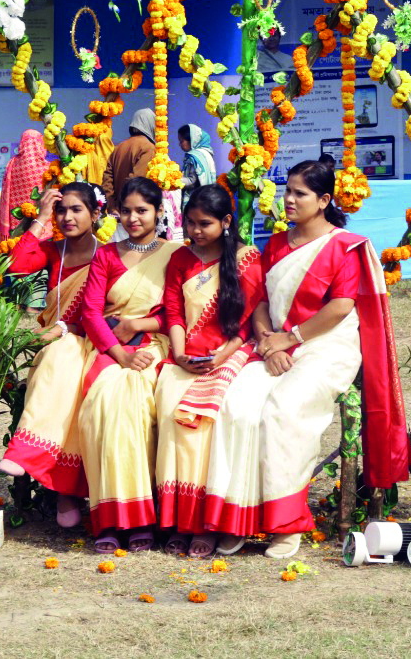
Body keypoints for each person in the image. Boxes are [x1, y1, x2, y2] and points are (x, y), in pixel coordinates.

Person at [199, 161, 409, 558]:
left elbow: (341, 306)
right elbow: (259, 299)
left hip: (325, 347)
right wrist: (267, 339)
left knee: (284, 409)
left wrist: (289, 339)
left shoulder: (345, 246)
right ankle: (237, 518)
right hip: (275, 342)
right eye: (288, 191)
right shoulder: (277, 243)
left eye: (300, 193)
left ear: (324, 200)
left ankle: (285, 524)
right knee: (235, 405)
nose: (289, 199)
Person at [154, 185, 263, 557]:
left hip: (229, 355)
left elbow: (248, 323)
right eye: (190, 222)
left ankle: (206, 523)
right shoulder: (181, 259)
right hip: (184, 356)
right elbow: (173, 311)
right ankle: (178, 523)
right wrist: (181, 354)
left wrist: (221, 356)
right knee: (170, 409)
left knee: (206, 422)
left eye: (205, 224)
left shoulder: (246, 259)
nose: (195, 231)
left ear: (226, 222)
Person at [75, 176, 182, 552]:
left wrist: (138, 325)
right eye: (127, 211)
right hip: (108, 344)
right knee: (102, 402)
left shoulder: (175, 253)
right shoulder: (106, 253)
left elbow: (177, 311)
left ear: (158, 211)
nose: (134, 218)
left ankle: (139, 518)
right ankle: (107, 517)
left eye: (143, 210)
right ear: (117, 212)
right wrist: (118, 353)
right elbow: (90, 312)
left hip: (155, 343)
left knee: (136, 402)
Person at [0, 182, 106, 527]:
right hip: (56, 342)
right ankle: (64, 492)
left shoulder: (109, 254)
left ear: (96, 213)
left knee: (69, 365)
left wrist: (66, 330)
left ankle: (64, 488)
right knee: (62, 360)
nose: (67, 217)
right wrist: (41, 218)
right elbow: (15, 266)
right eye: (61, 210)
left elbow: (115, 310)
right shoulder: (53, 251)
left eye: (76, 210)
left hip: (98, 340)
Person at [0, 129, 50, 241]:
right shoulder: (47, 167)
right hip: (40, 218)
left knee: (17, 245)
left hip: (16, 217)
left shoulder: (12, 163)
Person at [102, 108, 157, 211]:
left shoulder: (118, 147)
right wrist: (125, 207)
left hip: (118, 211)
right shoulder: (148, 147)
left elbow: (107, 182)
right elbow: (136, 181)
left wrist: (113, 207)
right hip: (135, 210)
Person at [178, 124, 219, 191]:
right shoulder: (206, 153)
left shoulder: (194, 156)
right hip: (209, 193)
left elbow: (192, 181)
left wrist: (173, 181)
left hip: (196, 196)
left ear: (191, 139)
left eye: (181, 141)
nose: (179, 144)